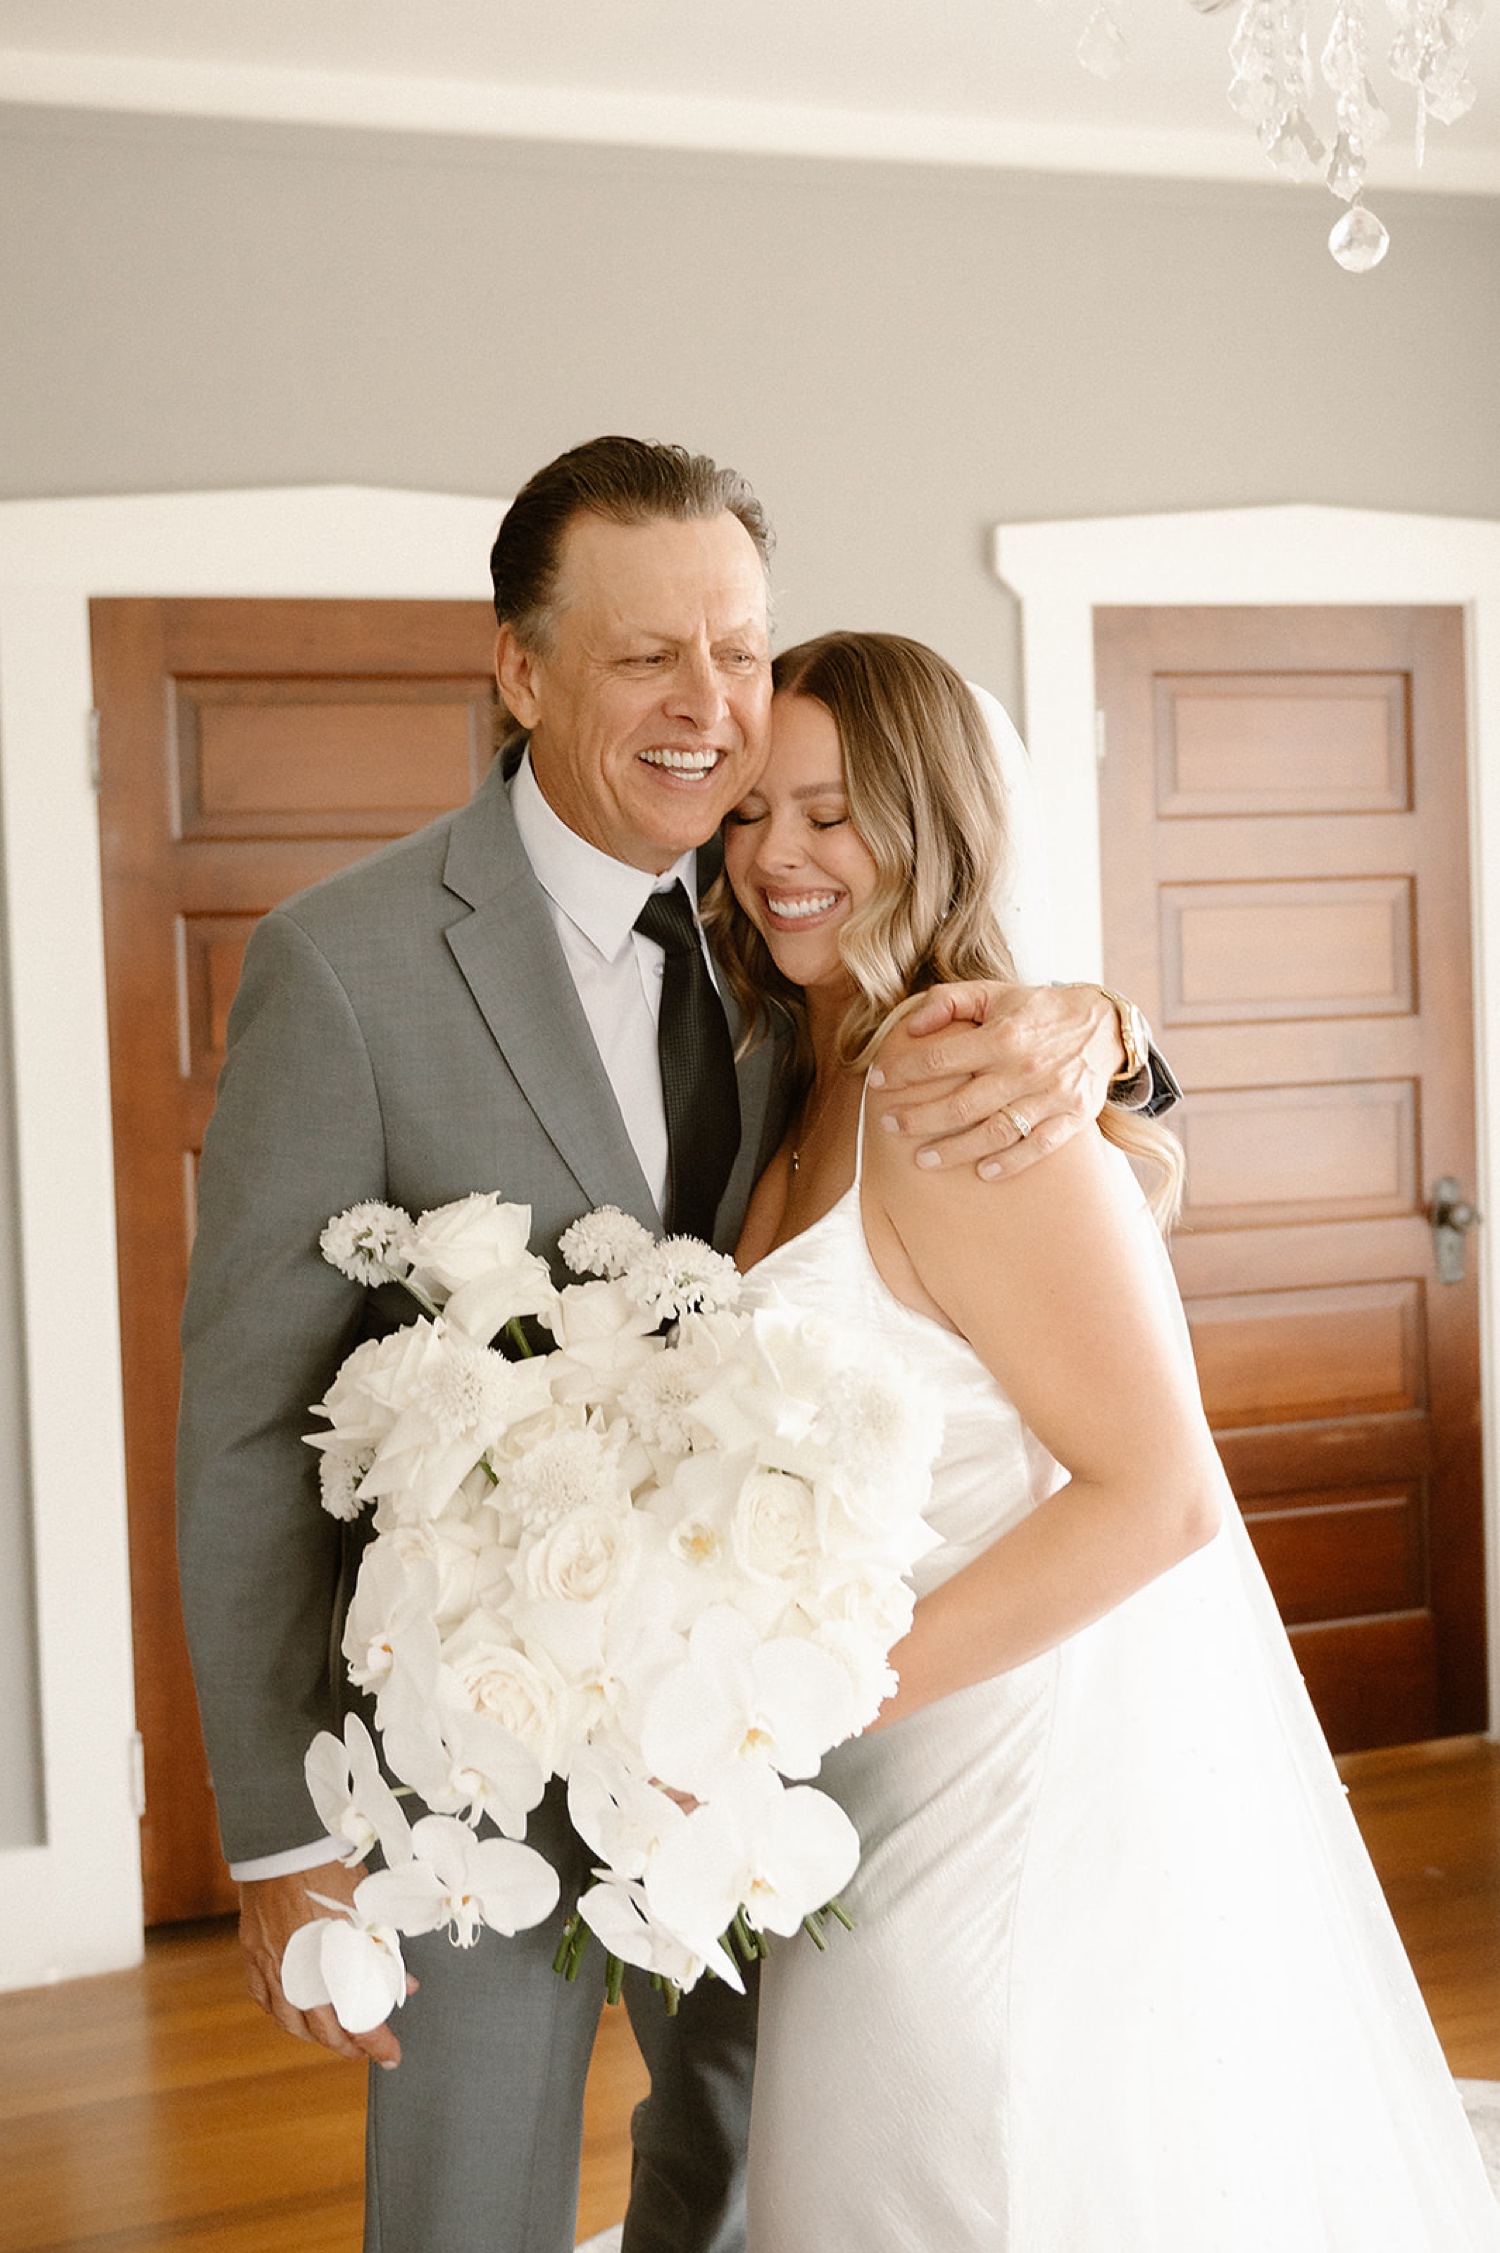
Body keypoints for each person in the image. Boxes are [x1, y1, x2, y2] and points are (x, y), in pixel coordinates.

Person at [175, 437, 1166, 2253]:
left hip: (755, 1759)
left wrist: (1112, 1029)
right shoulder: (347, 963)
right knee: (468, 2209)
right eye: (649, 656)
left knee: (752, 2172)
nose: (711, 709)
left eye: (739, 649)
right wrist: (272, 1835)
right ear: (522, 669)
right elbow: (244, 1422)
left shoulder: (784, 928)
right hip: (466, 1757)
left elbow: (963, 1074)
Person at [720, 631, 1500, 2251]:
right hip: (849, 1776)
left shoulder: (956, 1088)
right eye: (750, 815)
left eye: (830, 812)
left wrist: (806, 1696)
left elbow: (1160, 1496)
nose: (777, 856)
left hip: (988, 1776)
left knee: (954, 2165)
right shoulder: (786, 1075)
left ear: (930, 819)